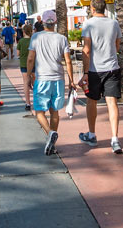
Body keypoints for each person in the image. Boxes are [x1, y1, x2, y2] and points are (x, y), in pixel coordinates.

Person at [26, 10, 76, 156]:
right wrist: (71, 81)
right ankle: (52, 142)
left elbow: (30, 58)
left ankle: (50, 134)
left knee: (39, 112)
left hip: (42, 79)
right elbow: (67, 61)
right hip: (58, 79)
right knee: (55, 112)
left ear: (43, 23)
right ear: (54, 23)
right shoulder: (62, 38)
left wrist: (29, 75)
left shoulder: (36, 37)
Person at [78, 0, 123, 154]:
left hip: (94, 70)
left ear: (92, 8)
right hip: (112, 68)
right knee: (112, 103)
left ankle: (91, 135)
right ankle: (115, 139)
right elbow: (117, 46)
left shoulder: (88, 24)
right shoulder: (114, 23)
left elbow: (87, 49)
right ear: (104, 8)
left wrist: (84, 72)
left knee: (92, 102)